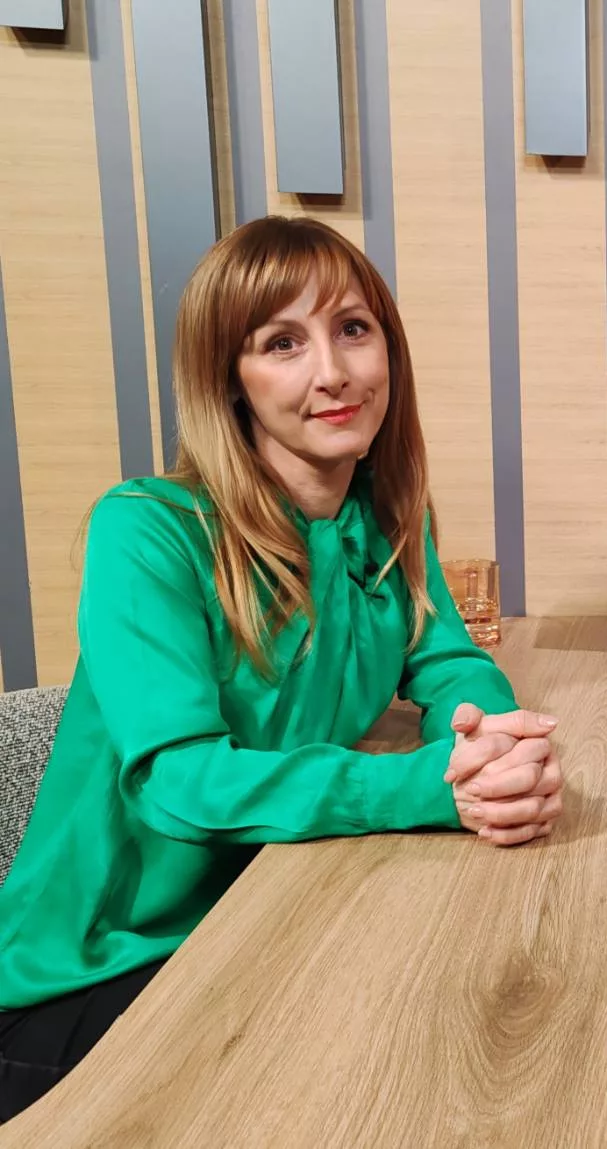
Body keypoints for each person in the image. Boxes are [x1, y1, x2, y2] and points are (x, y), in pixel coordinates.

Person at [0, 216, 564, 1121]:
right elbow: (178, 782)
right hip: (96, 971)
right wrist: (425, 786)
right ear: (231, 381)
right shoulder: (147, 530)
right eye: (282, 343)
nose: (332, 372)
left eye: (353, 328)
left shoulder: (387, 519)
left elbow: (449, 659)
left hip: (271, 906)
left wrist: (491, 745)